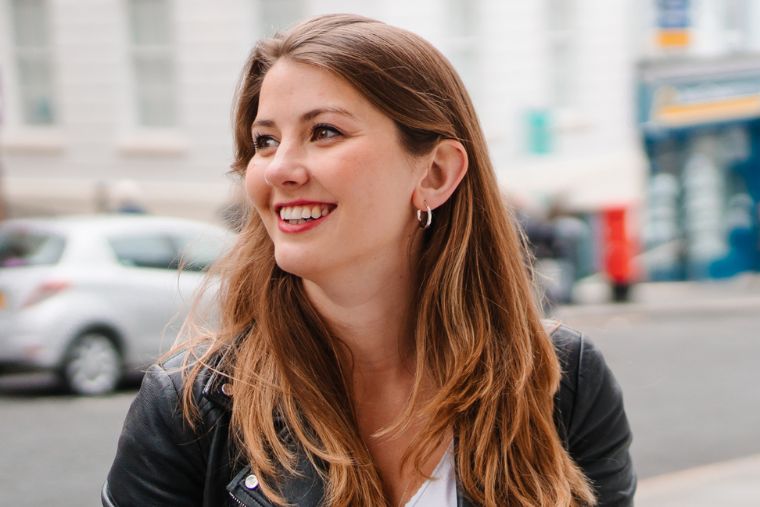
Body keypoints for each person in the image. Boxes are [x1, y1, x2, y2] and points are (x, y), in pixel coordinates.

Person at [103, 14, 635, 507]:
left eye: (324, 132)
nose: (279, 168)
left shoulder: (562, 380)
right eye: (265, 141)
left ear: (436, 174)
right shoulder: (190, 409)